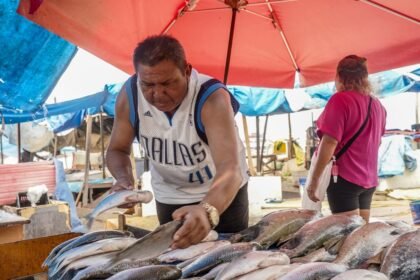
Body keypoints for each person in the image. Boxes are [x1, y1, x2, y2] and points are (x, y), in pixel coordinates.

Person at [106, 35, 249, 249]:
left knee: (228, 257)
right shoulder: (130, 95)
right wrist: (124, 180)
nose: (157, 94)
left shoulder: (211, 98)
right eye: (148, 84)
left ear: (187, 71)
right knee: (176, 261)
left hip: (222, 195)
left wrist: (207, 210)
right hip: (170, 195)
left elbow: (230, 170)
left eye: (167, 83)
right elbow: (117, 149)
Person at [306, 55, 386, 222]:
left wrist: (315, 179)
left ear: (339, 76)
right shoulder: (377, 105)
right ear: (365, 77)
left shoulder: (340, 100)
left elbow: (329, 142)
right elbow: (376, 142)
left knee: (347, 236)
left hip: (344, 179)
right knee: (361, 235)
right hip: (368, 180)